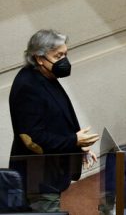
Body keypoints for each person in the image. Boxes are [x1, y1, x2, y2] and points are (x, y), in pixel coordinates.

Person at [9, 29, 100, 212]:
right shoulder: (28, 87)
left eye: (65, 54)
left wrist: (77, 147)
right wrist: (73, 140)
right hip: (39, 177)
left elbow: (56, 120)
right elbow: (33, 139)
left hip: (50, 170)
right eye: (58, 56)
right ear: (39, 58)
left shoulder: (45, 76)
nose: (64, 61)